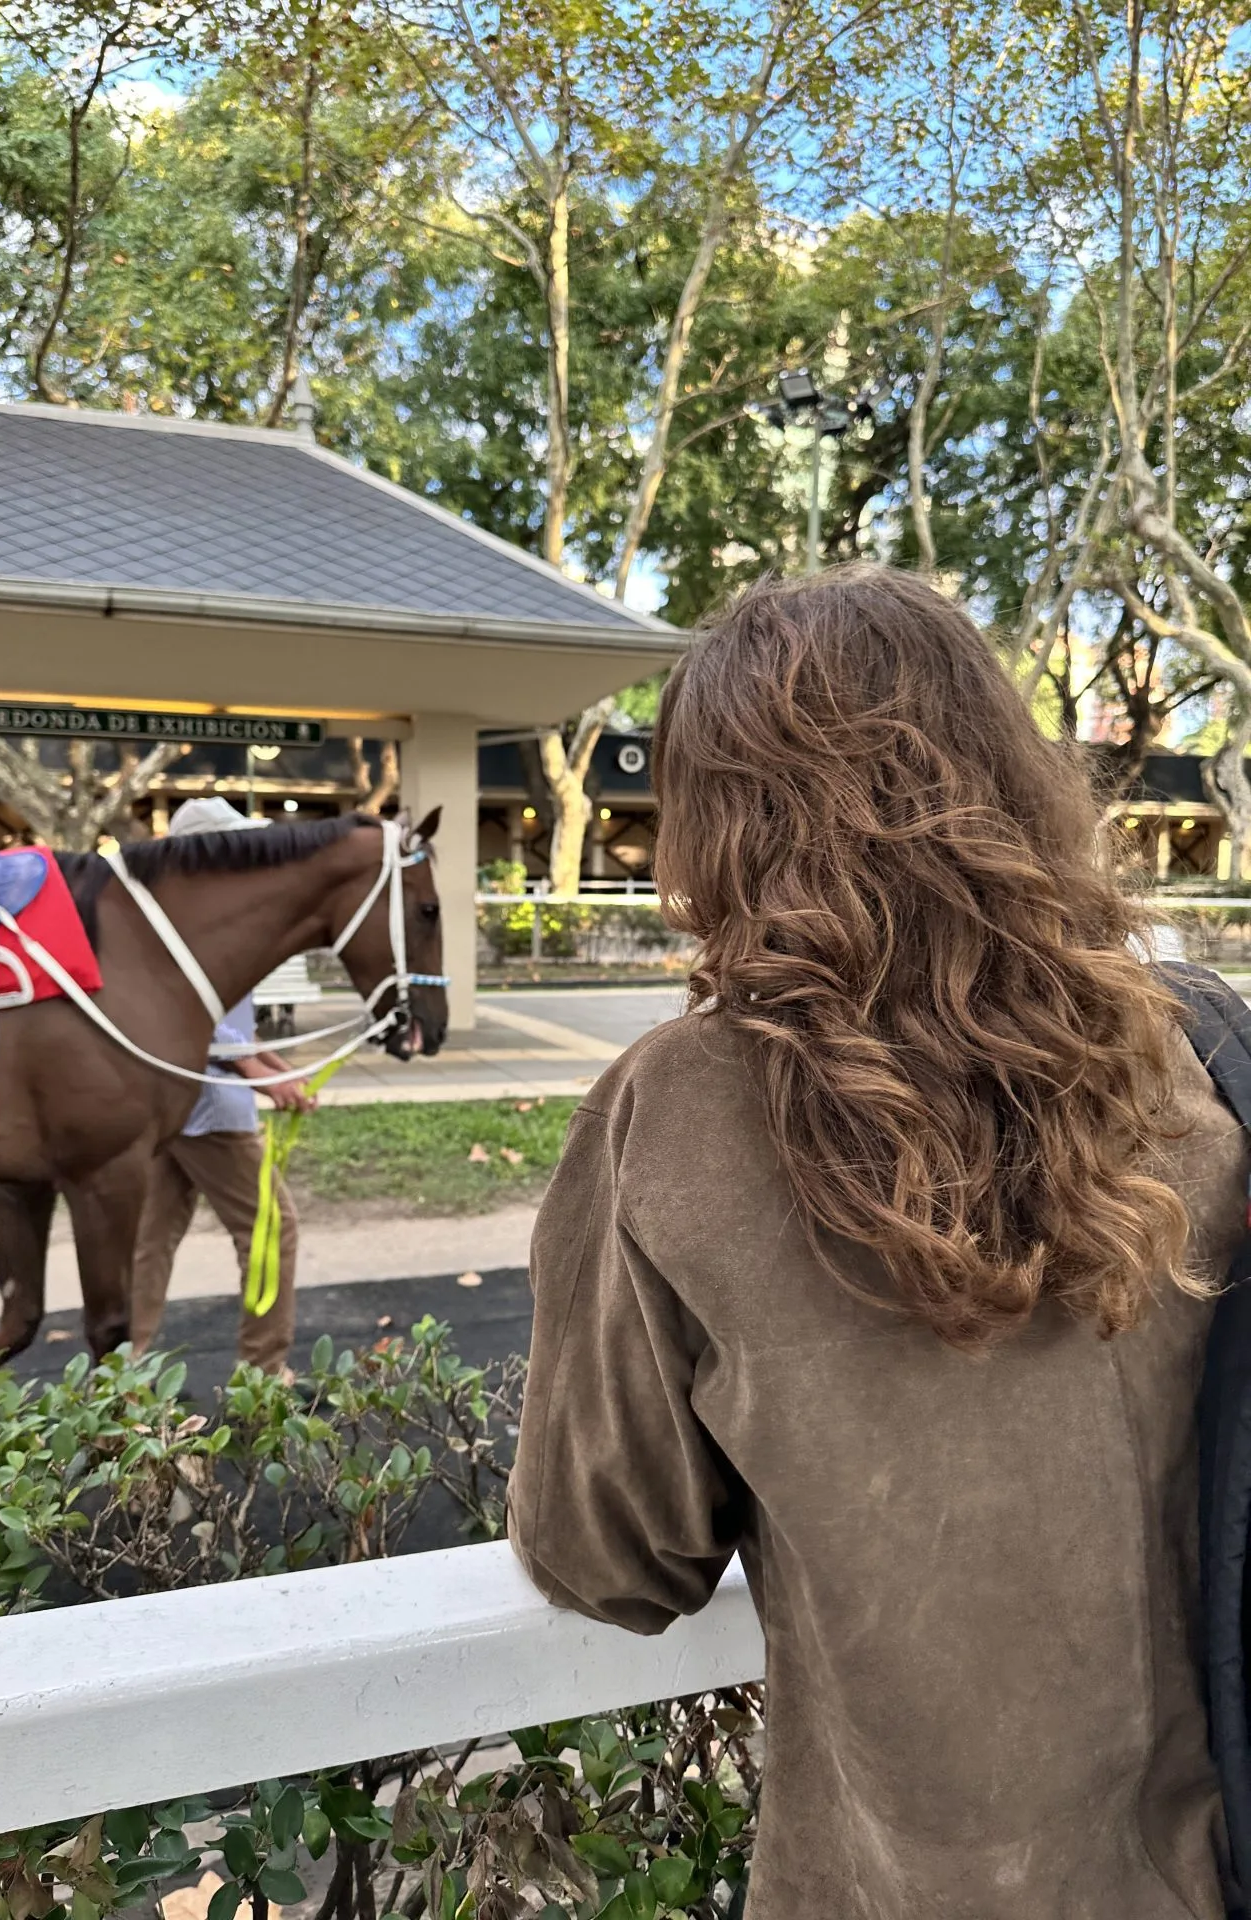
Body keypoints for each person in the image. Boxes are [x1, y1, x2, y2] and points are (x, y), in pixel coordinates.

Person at [508, 563, 1251, 1919]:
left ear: (717, 828)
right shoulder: (1198, 1070)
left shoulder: (674, 1113)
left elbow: (609, 1558)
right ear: (1012, 782)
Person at [130, 796, 313, 1375]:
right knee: (270, 1228)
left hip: (169, 1101)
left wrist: (274, 1066)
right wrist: (261, 1077)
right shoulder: (197, 922)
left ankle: (122, 1375)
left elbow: (229, 1023)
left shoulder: (173, 914)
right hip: (206, 1103)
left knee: (151, 1237)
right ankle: (261, 1373)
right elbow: (198, 1025)